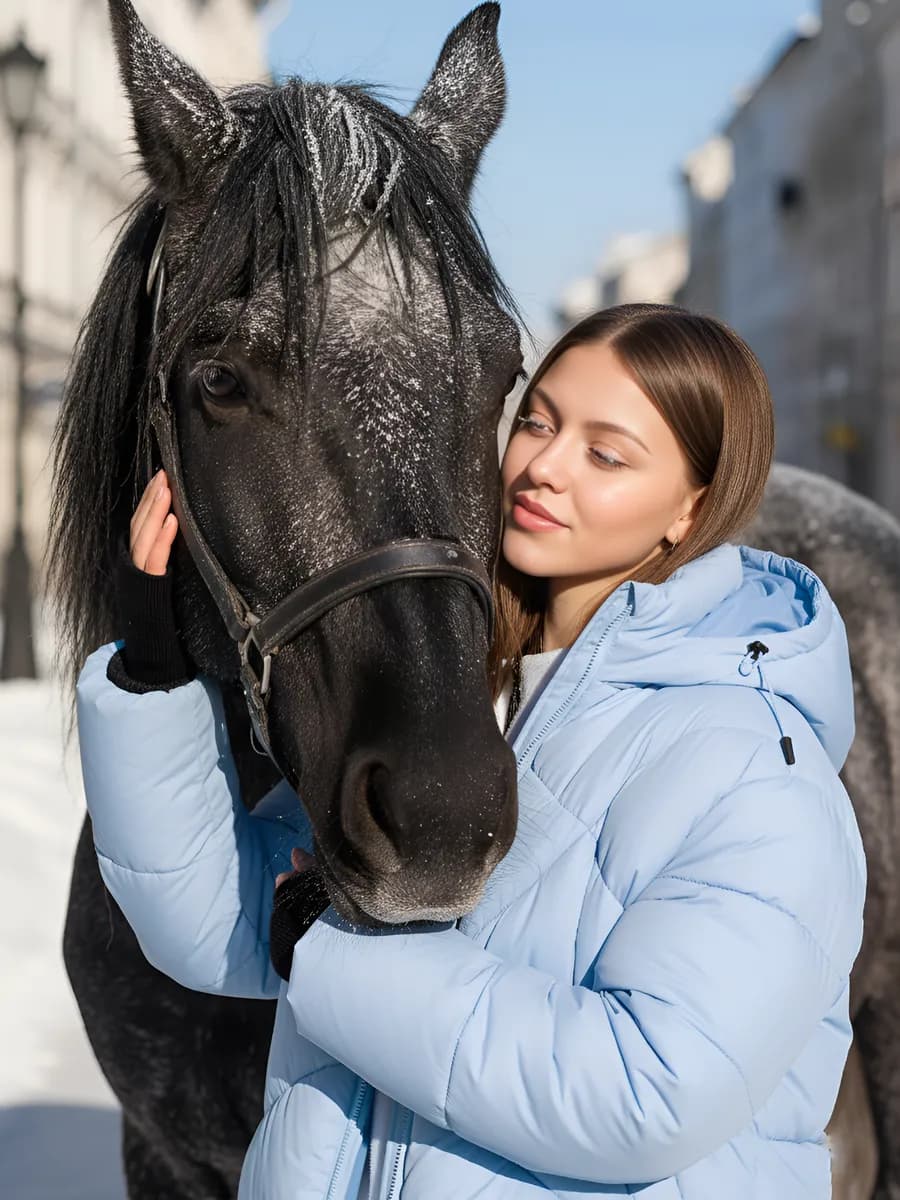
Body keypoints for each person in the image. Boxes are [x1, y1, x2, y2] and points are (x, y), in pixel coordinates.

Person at [76, 302, 866, 1199]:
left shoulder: (760, 769)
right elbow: (213, 917)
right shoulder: (457, 701)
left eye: (605, 455)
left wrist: (336, 956)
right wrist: (152, 667)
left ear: (690, 508)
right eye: (537, 420)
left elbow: (647, 1092)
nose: (543, 468)